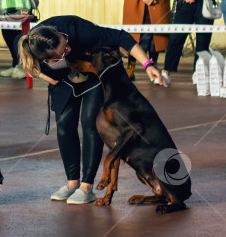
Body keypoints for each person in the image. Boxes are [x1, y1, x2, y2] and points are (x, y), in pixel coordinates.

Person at [17, 17, 166, 204]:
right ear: (45, 59)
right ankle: (72, 184)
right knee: (64, 125)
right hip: (63, 79)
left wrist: (147, 64)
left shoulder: (80, 30)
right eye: (63, 53)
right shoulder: (28, 43)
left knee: (90, 123)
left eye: (66, 45)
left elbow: (122, 37)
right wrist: (46, 77)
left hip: (91, 75)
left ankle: (86, 187)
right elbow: (26, 63)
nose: (68, 50)